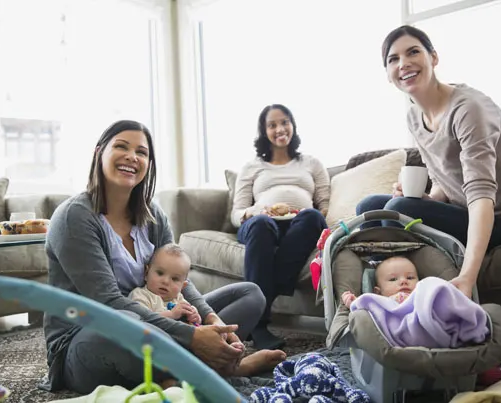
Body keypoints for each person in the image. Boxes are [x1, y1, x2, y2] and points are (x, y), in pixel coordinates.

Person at [40, 120, 285, 395]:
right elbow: (108, 303)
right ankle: (224, 369)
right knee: (130, 325)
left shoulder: (153, 215)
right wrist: (193, 336)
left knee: (250, 294)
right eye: (121, 147)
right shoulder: (74, 217)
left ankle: (188, 370)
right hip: (86, 340)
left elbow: (180, 280)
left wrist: (212, 321)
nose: (132, 157)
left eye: (141, 152)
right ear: (99, 153)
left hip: (161, 322)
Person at [355, 25, 501, 299]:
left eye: (413, 52)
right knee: (369, 207)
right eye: (393, 59)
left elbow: (481, 196)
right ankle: (379, 290)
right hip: (464, 210)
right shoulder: (414, 117)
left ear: (433, 57)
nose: (404, 63)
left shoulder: (469, 109)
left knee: (398, 209)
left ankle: (406, 300)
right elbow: (442, 181)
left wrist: (468, 276)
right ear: (387, 74)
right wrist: (426, 200)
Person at [231, 104, 330, 350]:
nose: (280, 129)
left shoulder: (311, 163)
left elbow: (324, 205)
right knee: (262, 224)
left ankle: (262, 301)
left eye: (284, 122)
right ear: (264, 132)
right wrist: (254, 212)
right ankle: (259, 325)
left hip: (298, 227)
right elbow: (237, 213)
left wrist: (308, 214)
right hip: (260, 227)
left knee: (313, 217)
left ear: (293, 125)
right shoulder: (252, 166)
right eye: (272, 125)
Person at [128, 243, 202, 324]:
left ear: (182, 286)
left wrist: (195, 317)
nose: (166, 281)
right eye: (160, 273)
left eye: (174, 279)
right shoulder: (140, 295)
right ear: (146, 273)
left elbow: (193, 323)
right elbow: (143, 320)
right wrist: (171, 314)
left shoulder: (179, 299)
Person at [341, 256, 419, 307]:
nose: (403, 281)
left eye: (410, 277)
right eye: (393, 279)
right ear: (378, 292)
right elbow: (368, 308)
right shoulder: (381, 302)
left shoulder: (422, 294)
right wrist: (355, 302)